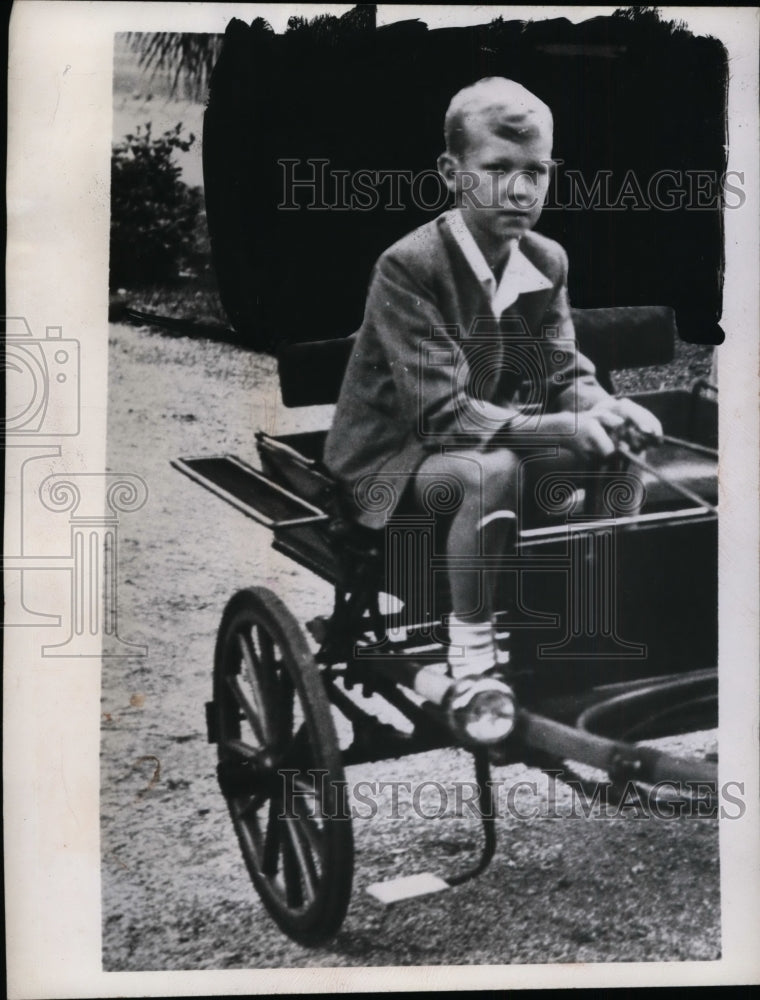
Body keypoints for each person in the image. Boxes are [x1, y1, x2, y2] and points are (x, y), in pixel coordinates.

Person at [324, 77, 661, 679]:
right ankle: (473, 647)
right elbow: (442, 417)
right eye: (497, 167)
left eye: (537, 170)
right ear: (452, 172)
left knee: (617, 451)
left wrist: (607, 408)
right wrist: (561, 425)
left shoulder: (545, 259)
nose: (520, 189)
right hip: (395, 460)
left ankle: (589, 616)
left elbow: (563, 374)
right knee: (491, 472)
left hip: (486, 433)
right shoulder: (410, 266)